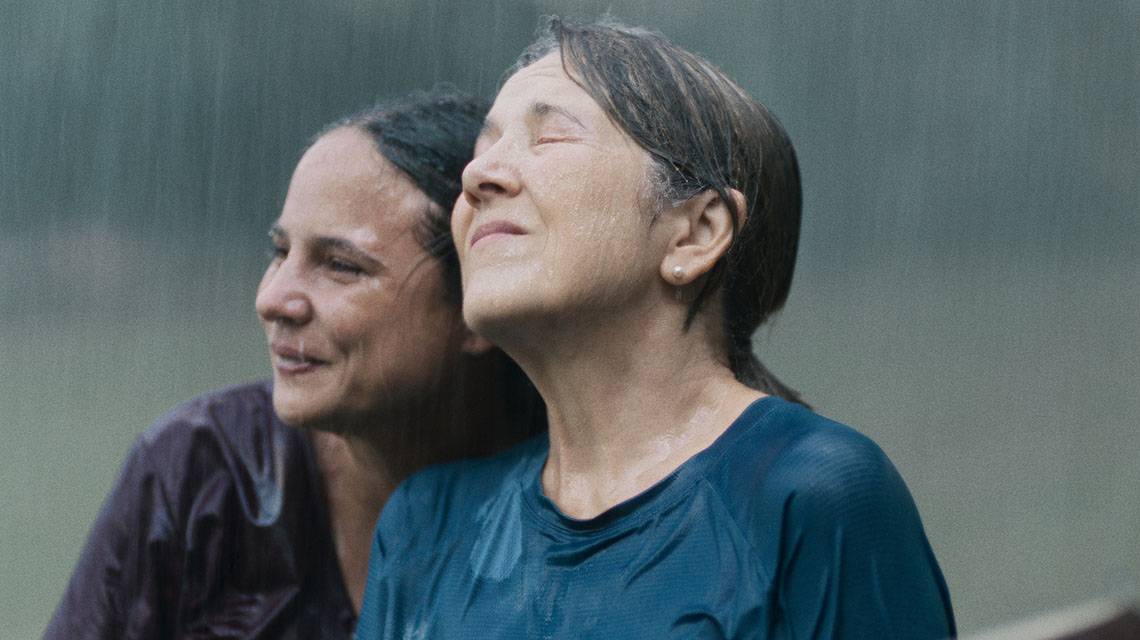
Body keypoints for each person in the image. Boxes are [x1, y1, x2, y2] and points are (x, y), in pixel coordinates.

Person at [357, 19, 955, 639]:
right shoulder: (425, 528)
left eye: (550, 136)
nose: (477, 177)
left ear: (694, 234)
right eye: (483, 150)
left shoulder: (811, 500)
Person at [44, 88, 544, 639]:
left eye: (340, 265)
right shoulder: (200, 475)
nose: (274, 300)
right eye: (280, 252)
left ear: (478, 304)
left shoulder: (576, 509)